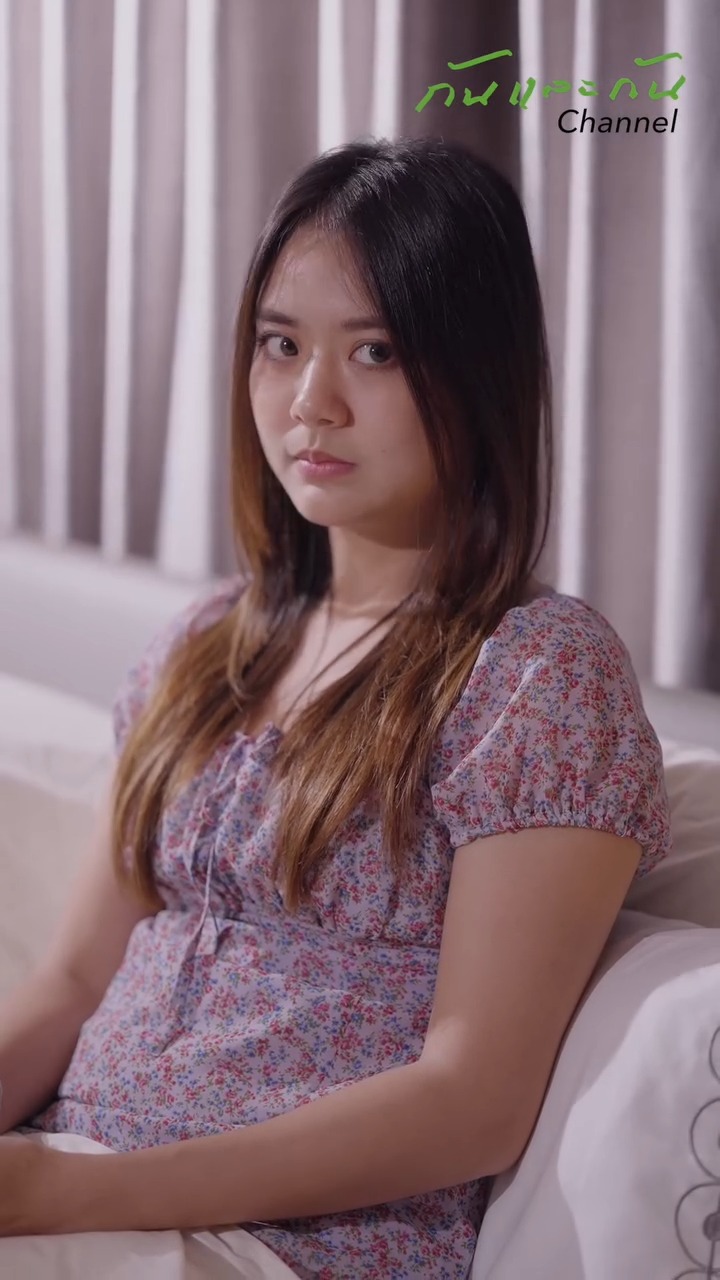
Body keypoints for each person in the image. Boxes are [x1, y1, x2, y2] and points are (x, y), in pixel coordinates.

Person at [0, 135, 672, 1278]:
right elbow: (71, 981)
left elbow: (472, 1098)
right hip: (79, 1182)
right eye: (281, 344)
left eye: (375, 350)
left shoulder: (535, 678)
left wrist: (79, 1192)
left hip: (282, 1246)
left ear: (477, 371)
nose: (312, 402)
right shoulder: (204, 648)